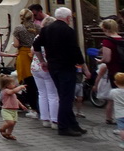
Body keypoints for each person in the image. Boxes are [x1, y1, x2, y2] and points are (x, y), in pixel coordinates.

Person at [33, 7, 90, 136]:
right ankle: (63, 126)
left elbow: (36, 46)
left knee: (63, 95)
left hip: (53, 67)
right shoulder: (68, 31)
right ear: (68, 18)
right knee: (66, 98)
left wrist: (42, 61)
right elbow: (75, 50)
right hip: (66, 66)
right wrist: (84, 67)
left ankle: (73, 124)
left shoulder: (46, 29)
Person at [30, 16, 59, 128]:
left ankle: (45, 118)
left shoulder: (38, 36)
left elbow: (32, 50)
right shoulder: (52, 37)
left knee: (42, 94)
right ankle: (54, 119)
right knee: (52, 94)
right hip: (47, 67)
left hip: (35, 67)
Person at [96, 18, 124, 125]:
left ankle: (110, 118)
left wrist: (100, 60)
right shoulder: (121, 39)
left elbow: (107, 59)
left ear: (105, 28)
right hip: (123, 69)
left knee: (113, 96)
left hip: (114, 70)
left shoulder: (107, 41)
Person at [11, 8, 38, 112]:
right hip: (35, 54)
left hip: (24, 56)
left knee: (28, 82)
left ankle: (32, 107)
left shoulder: (18, 29)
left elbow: (17, 44)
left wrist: (14, 44)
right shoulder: (37, 28)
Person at [0, 74, 27, 141]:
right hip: (7, 110)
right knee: (10, 122)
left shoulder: (12, 92)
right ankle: (2, 129)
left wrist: (21, 105)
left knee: (13, 124)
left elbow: (16, 100)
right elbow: (13, 91)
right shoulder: (6, 91)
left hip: (14, 110)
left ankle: (8, 134)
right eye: (12, 83)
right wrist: (20, 87)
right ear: (6, 85)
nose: (14, 85)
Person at [109, 72, 124, 149]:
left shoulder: (113, 91)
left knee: (122, 129)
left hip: (119, 114)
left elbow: (110, 98)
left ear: (115, 82)